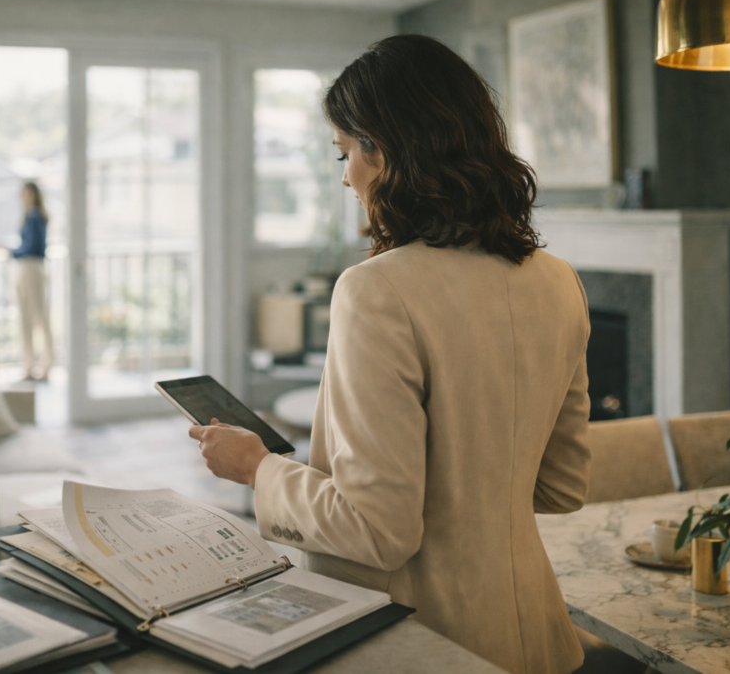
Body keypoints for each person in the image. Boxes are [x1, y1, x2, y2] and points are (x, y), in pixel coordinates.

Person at [189, 35, 591, 674]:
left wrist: (256, 468)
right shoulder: (559, 279)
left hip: (419, 643)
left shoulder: (376, 290)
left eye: (347, 150)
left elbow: (376, 530)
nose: (345, 174)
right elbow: (562, 485)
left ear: (391, 150)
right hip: (537, 636)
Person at [12, 181, 54, 382]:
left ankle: (43, 366)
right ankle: (32, 367)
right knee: (31, 319)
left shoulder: (34, 216)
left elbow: (32, 247)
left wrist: (10, 250)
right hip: (31, 268)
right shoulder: (34, 216)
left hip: (31, 268)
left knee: (36, 318)